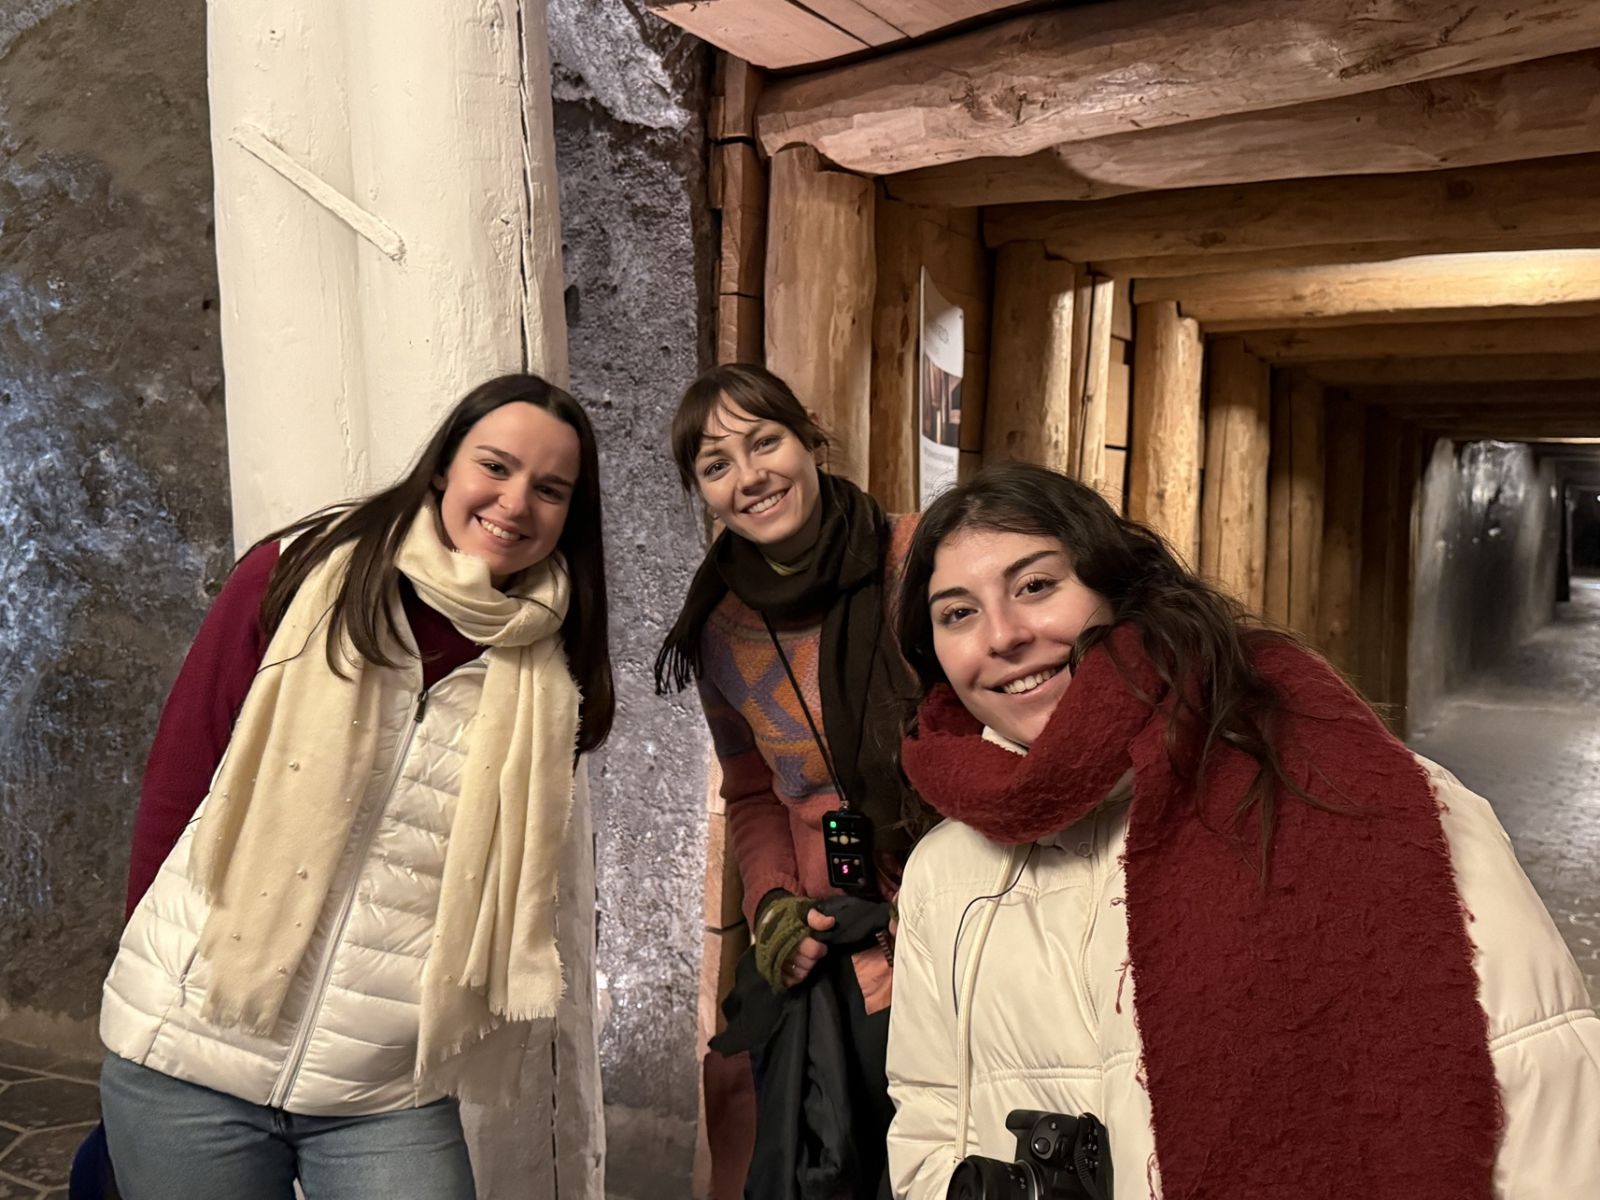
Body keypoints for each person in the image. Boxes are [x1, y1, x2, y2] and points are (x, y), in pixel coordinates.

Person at [886, 462, 1600, 1200]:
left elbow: (1544, 1087)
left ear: (1117, 592)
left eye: (1036, 585)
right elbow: (931, 1130)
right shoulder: (945, 875)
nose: (1003, 635)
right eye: (957, 613)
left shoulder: (1369, 799)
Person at [97, 373, 614, 1200]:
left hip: (380, 1086)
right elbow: (180, 776)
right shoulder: (300, 573)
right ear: (444, 466)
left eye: (550, 490)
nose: (516, 502)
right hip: (189, 1045)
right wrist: (152, 974)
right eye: (496, 466)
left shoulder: (547, 668)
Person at [654, 363, 923, 1199]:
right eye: (716, 464)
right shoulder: (719, 629)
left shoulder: (918, 560)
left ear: (809, 437)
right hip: (831, 933)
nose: (750, 476)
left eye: (764, 442)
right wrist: (772, 907)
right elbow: (753, 791)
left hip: (949, 919)